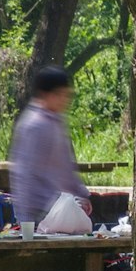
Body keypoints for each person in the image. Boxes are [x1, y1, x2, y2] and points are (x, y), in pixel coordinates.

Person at [10, 63, 85, 232]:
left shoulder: (57, 122)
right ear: (44, 94)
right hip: (40, 211)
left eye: (67, 95)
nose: (64, 100)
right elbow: (25, 174)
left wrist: (81, 194)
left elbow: (66, 166)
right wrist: (26, 220)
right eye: (59, 95)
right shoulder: (34, 125)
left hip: (61, 208)